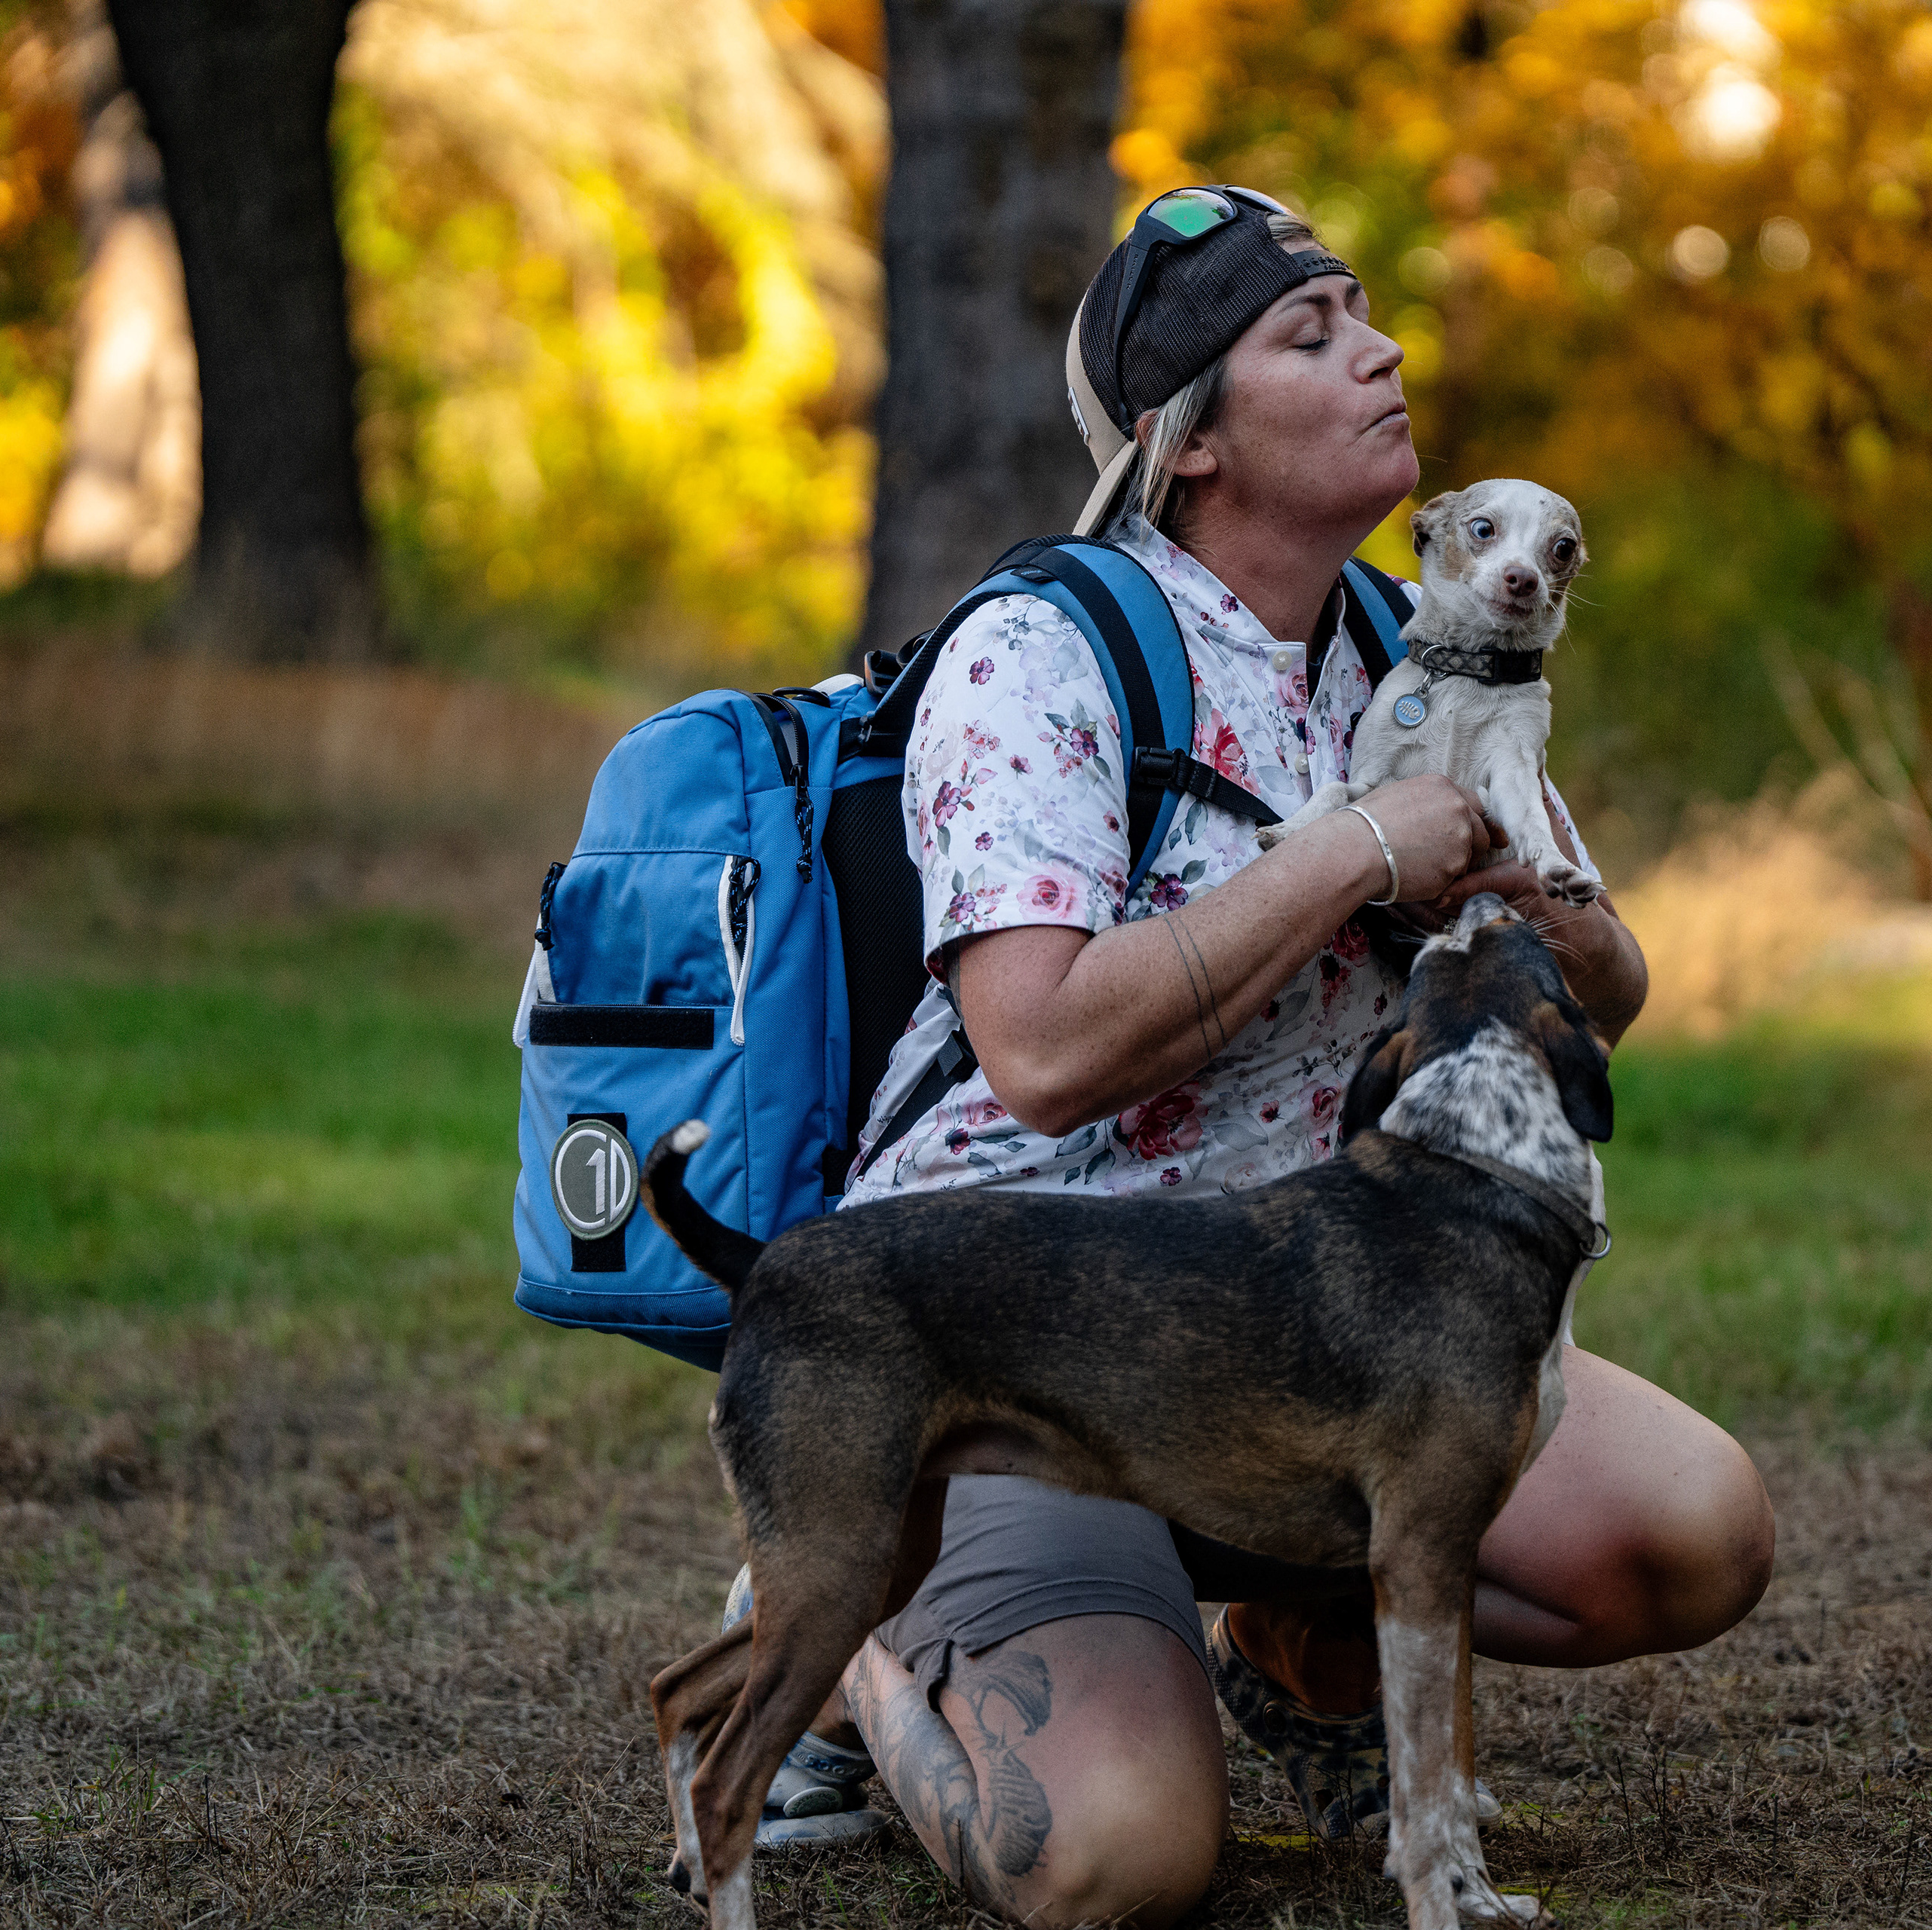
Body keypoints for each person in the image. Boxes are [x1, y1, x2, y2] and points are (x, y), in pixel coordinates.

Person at [732, 185, 1773, 1928]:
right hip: (1026, 1348)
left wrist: (1540, 900)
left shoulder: (1413, 642)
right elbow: (1041, 1050)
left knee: (1696, 1536)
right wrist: (1354, 853)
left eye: (1365, 313)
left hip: (1323, 1336)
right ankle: (847, 1657)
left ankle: (1291, 1651)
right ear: (1189, 440)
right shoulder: (1040, 653)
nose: (1382, 352)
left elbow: (1603, 998)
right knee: (1118, 1862)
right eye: (1311, 334)